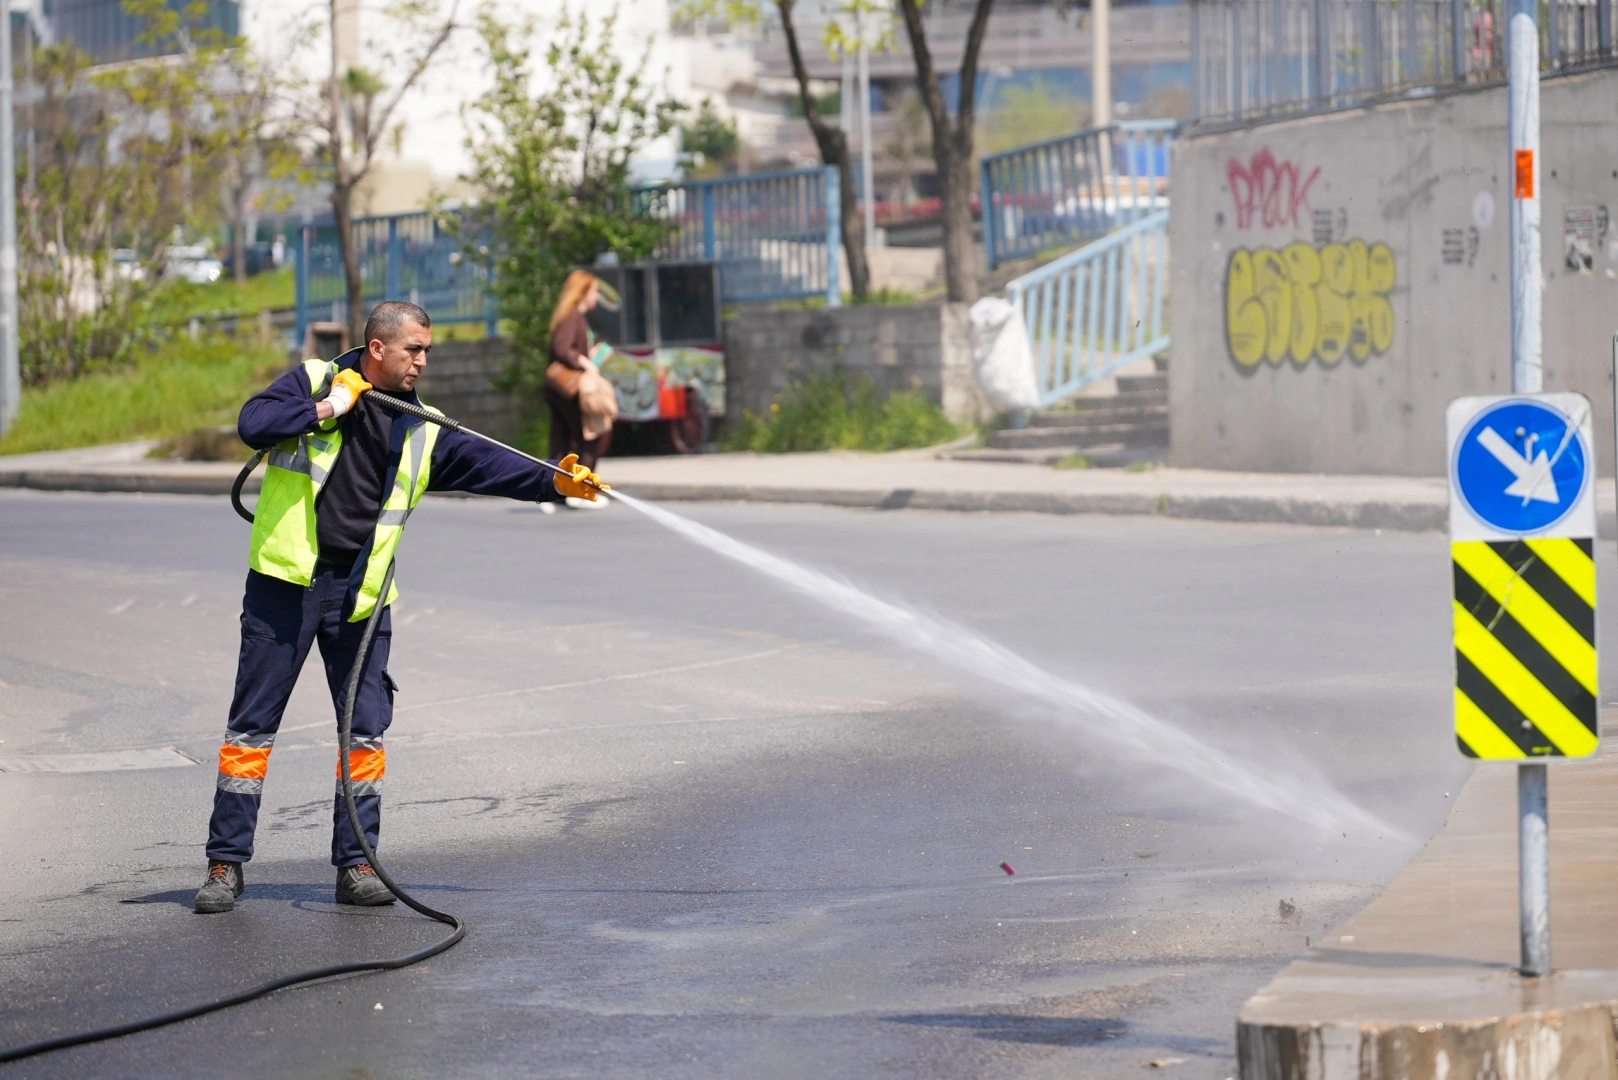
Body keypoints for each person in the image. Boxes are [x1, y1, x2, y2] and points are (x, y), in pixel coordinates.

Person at [194, 300, 606, 914]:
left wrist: (554, 480)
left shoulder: (422, 423)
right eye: (414, 349)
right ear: (378, 348)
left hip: (361, 596)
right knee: (251, 729)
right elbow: (254, 425)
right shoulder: (313, 381)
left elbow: (484, 464)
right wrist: (334, 405)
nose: (422, 361)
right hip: (287, 586)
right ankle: (225, 865)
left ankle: (357, 864)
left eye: (427, 351)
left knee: (364, 734)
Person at [544, 270, 613, 479]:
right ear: (582, 292)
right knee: (589, 437)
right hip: (570, 389)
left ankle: (552, 489)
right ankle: (582, 488)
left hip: (558, 388)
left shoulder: (572, 315)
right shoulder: (573, 315)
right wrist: (586, 363)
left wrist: (592, 355)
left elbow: (569, 349)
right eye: (594, 291)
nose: (596, 296)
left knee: (561, 438)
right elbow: (563, 348)